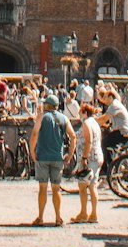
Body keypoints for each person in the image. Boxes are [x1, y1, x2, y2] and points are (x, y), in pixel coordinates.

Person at [29, 92, 75, 227]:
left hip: (42, 157)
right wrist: (70, 154)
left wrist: (32, 152)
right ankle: (58, 218)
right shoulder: (64, 118)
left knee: (42, 188)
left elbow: (35, 134)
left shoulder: (42, 117)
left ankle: (41, 217)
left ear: (48, 106)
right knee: (56, 189)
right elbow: (73, 136)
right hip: (57, 157)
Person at [72, 102, 103, 224]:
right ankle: (93, 213)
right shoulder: (95, 122)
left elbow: (88, 141)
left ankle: (84, 213)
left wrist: (84, 157)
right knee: (92, 185)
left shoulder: (86, 123)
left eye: (80, 112)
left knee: (84, 186)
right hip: (97, 156)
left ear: (85, 112)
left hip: (89, 158)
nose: (79, 114)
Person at [97, 86, 128, 160]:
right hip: (121, 132)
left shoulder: (114, 105)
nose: (104, 99)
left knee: (104, 142)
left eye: (105, 97)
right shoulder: (114, 105)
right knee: (107, 141)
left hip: (123, 133)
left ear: (110, 97)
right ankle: (111, 164)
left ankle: (108, 167)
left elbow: (104, 118)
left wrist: (93, 121)